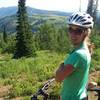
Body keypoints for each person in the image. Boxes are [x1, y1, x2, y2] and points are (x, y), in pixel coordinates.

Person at [55, 12, 95, 100]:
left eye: (78, 31)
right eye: (70, 29)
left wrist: (60, 67)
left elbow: (58, 78)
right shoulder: (85, 50)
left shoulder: (78, 54)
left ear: (86, 33)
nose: (73, 34)